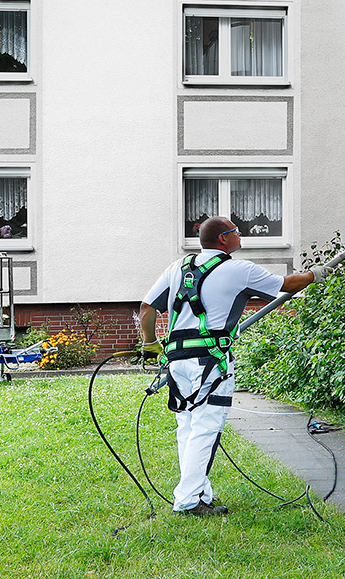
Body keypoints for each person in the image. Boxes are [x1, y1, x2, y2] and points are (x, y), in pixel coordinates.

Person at [139, 216, 331, 516]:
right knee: (205, 429)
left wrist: (150, 343)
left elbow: (147, 307)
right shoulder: (238, 270)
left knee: (188, 429)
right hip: (211, 363)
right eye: (236, 232)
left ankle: (199, 493)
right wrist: (315, 275)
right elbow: (286, 285)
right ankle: (188, 501)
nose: (240, 235)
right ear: (223, 240)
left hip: (177, 361)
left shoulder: (177, 268)